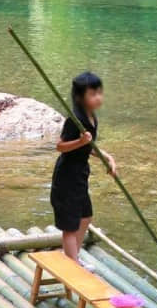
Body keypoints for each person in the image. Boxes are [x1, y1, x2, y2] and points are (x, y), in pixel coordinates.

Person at [50, 71, 117, 263]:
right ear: (80, 98)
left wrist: (107, 157)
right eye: (92, 94)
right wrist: (80, 142)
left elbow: (89, 147)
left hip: (80, 176)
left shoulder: (92, 117)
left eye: (99, 93)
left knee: (86, 217)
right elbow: (60, 146)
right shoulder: (75, 120)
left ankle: (73, 257)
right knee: (70, 226)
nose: (98, 98)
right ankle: (73, 265)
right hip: (67, 178)